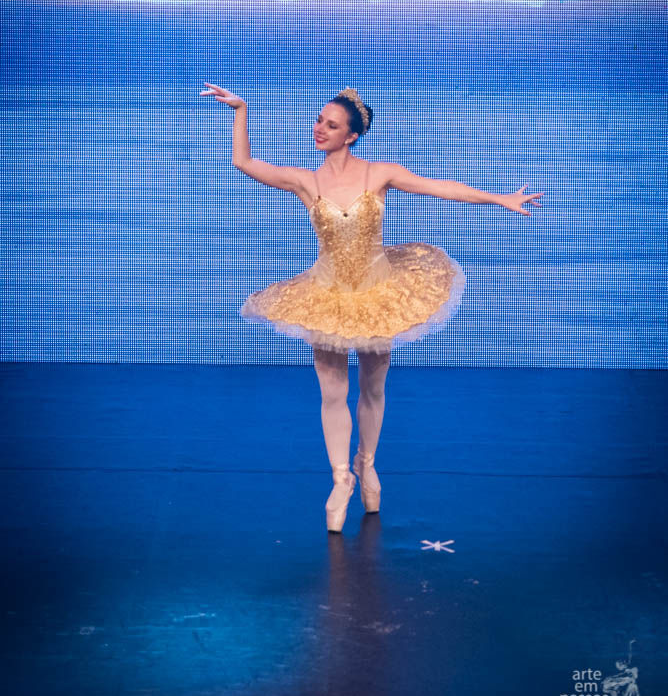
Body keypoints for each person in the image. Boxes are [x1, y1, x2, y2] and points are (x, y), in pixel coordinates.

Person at [200, 82, 544, 533]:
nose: (319, 129)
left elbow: (440, 188)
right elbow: (244, 163)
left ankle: (367, 463)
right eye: (319, 121)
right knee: (332, 391)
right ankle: (341, 477)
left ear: (351, 135)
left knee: (373, 388)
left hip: (379, 293)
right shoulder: (307, 181)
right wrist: (241, 110)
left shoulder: (378, 174)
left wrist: (500, 198)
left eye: (331, 125)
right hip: (327, 295)